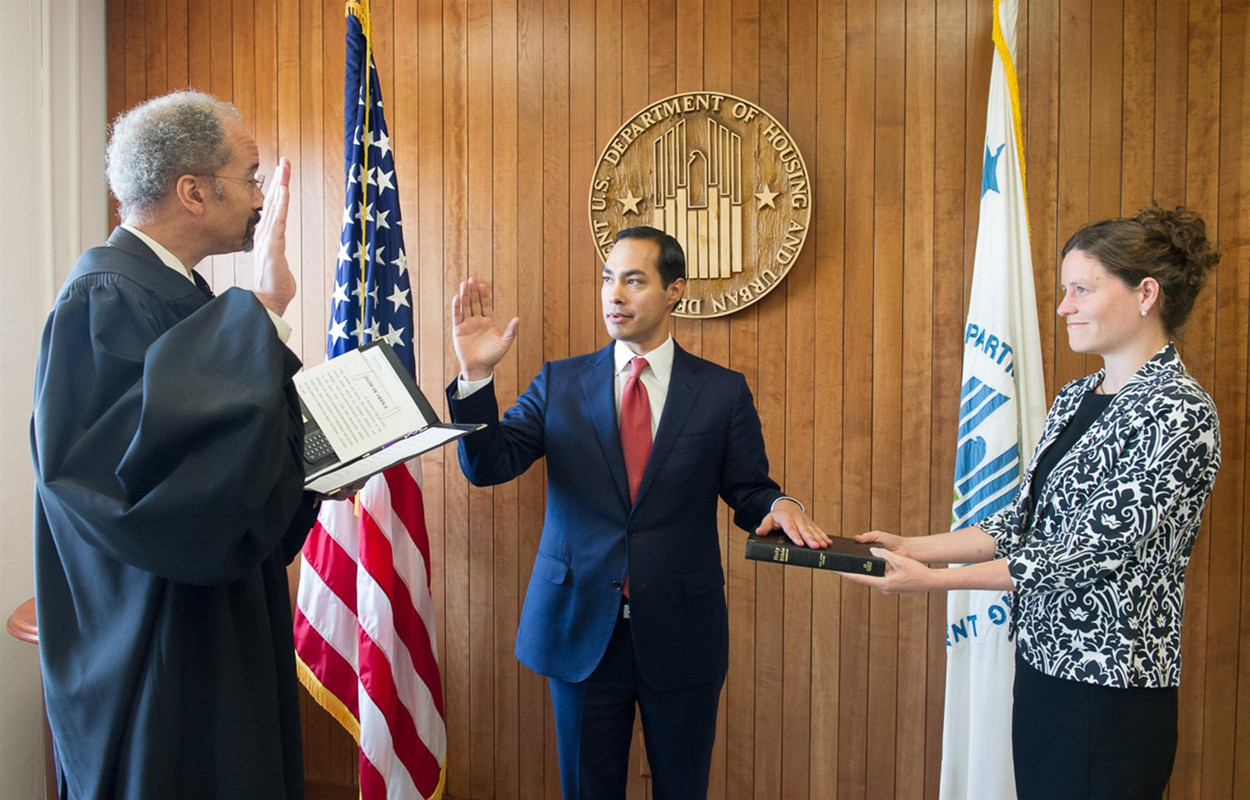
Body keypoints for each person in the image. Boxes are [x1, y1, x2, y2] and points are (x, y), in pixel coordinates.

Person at [844, 205, 1222, 799]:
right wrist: (910, 546)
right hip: (1044, 668)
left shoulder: (1179, 410)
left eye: (1081, 290)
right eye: (1064, 290)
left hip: (1112, 684)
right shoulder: (1077, 397)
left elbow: (1087, 553)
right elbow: (1021, 521)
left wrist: (930, 581)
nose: (1063, 306)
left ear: (1145, 293)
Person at [447, 226, 830, 799]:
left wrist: (779, 504)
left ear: (675, 291)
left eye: (633, 280)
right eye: (607, 279)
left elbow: (750, 489)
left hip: (681, 632)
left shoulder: (722, 393)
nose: (614, 295)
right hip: (579, 631)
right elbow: (488, 466)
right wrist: (476, 377)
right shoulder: (560, 382)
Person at [31, 91, 319, 799]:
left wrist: (307, 470)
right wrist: (267, 307)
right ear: (193, 190)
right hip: (156, 637)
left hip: (213, 618)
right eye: (250, 176)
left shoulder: (183, 297)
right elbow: (138, 489)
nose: (260, 197)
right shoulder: (105, 297)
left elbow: (214, 453)